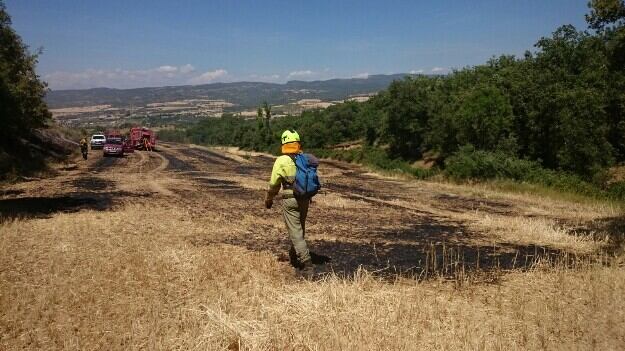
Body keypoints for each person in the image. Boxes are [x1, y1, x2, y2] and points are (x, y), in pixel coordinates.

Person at [265, 130, 315, 278]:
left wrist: (269, 199)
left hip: (289, 198)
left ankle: (307, 265)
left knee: (295, 232)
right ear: (298, 143)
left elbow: (274, 184)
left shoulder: (281, 160)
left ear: (284, 144)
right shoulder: (304, 159)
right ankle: (293, 255)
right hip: (305, 199)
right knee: (300, 229)